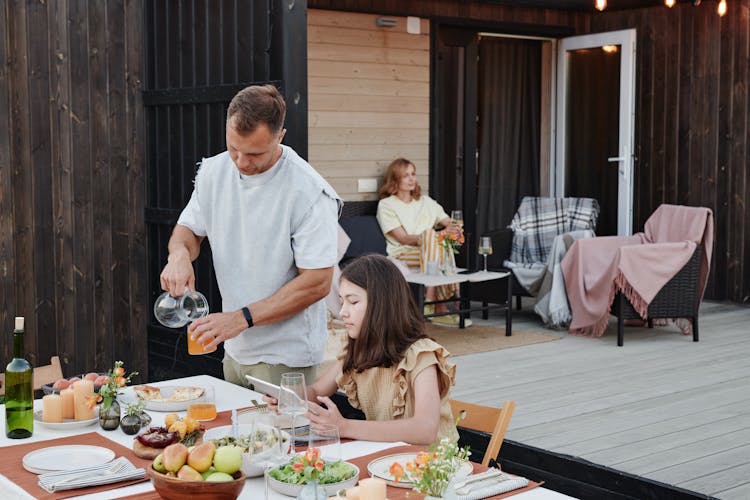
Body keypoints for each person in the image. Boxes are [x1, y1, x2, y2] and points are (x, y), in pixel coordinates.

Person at [159, 84, 341, 387]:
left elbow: (317, 283)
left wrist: (240, 318)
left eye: (254, 153)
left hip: (286, 357)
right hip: (234, 349)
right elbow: (188, 230)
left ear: (279, 136)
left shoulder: (308, 190)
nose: (241, 162)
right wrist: (178, 255)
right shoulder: (213, 172)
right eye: (234, 149)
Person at [265, 254, 459, 445]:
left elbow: (425, 430)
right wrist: (286, 396)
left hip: (435, 468)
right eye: (342, 302)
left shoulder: (421, 355)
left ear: (382, 304)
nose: (342, 312)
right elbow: (316, 391)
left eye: (353, 302)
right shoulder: (359, 350)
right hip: (389, 460)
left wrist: (345, 426)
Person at [376, 158, 468, 327]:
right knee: (432, 237)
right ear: (395, 179)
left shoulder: (426, 202)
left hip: (428, 255)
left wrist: (455, 229)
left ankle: (431, 300)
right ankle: (445, 302)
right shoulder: (386, 205)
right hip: (403, 254)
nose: (412, 179)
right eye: (406, 176)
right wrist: (433, 236)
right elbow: (403, 238)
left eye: (413, 174)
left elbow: (449, 221)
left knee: (439, 244)